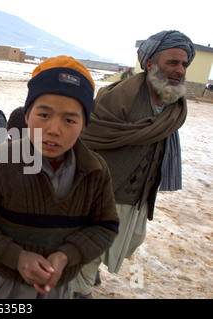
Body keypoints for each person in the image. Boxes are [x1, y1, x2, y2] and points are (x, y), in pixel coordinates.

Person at [0, 55, 119, 299]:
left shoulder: (95, 171)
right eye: (44, 115)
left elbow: (105, 225)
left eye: (69, 119)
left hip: (57, 289)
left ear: (84, 125)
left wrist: (66, 255)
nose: (54, 129)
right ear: (28, 115)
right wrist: (17, 257)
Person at [72, 30, 196, 299]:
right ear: (150, 63)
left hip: (139, 193)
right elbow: (92, 136)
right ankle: (78, 291)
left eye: (184, 64)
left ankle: (88, 271)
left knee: (129, 240)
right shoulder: (120, 96)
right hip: (105, 187)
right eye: (172, 62)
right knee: (93, 244)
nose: (179, 70)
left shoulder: (174, 104)